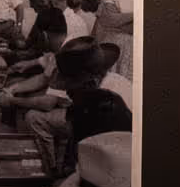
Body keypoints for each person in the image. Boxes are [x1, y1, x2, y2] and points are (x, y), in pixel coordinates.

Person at [23, 36, 132, 174]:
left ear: (90, 82)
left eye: (71, 89)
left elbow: (86, 164)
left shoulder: (101, 104)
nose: (68, 93)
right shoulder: (98, 90)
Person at [93, 0, 135, 80]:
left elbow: (132, 29)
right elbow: (103, 24)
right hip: (106, 43)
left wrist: (115, 22)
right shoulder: (105, 2)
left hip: (125, 47)